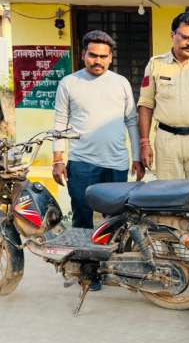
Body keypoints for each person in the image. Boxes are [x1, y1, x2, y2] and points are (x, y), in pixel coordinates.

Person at [52, 29, 143, 230]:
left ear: (110, 58)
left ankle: (112, 251)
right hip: (81, 163)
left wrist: (137, 158)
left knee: (116, 220)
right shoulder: (69, 83)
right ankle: (82, 251)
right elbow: (60, 122)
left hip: (116, 164)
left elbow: (131, 121)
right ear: (83, 54)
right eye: (93, 55)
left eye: (103, 56)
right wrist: (58, 159)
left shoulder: (121, 83)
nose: (98, 61)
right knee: (81, 217)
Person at [137, 11, 189, 179]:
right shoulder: (155, 64)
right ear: (172, 35)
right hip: (167, 140)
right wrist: (145, 143)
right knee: (168, 191)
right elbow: (145, 105)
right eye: (185, 37)